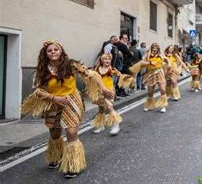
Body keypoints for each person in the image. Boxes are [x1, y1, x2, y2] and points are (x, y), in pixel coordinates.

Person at [21, 40, 113, 178]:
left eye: (56, 49)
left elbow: (92, 74)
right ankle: (57, 155)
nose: (53, 52)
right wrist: (54, 98)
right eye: (50, 50)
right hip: (53, 102)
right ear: (45, 54)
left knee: (71, 132)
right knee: (55, 134)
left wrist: (104, 89)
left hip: (72, 101)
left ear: (61, 51)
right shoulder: (43, 69)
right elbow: (38, 91)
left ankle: (73, 164)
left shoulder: (70, 64)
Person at [91, 53, 133, 135]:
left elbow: (120, 76)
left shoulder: (112, 69)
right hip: (99, 92)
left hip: (109, 91)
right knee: (101, 109)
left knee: (109, 107)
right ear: (101, 60)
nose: (107, 60)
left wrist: (127, 79)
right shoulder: (97, 69)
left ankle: (116, 125)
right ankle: (100, 125)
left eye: (109, 59)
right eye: (105, 59)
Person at [129, 43, 168, 113]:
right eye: (153, 47)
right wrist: (150, 63)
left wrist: (168, 67)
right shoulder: (147, 55)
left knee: (162, 90)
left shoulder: (161, 55)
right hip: (151, 74)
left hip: (160, 73)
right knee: (150, 92)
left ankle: (163, 106)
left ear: (158, 49)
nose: (155, 49)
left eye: (156, 48)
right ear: (151, 48)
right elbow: (142, 63)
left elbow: (167, 61)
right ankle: (149, 105)